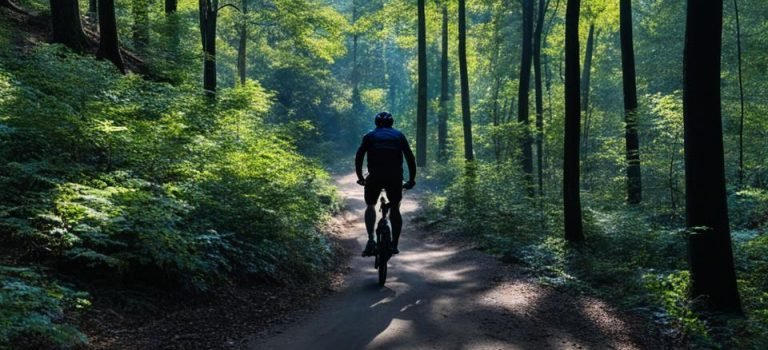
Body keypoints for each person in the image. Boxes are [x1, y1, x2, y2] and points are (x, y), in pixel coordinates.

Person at [355, 111, 416, 256]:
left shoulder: (369, 136)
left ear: (376, 123)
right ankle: (394, 244)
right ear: (392, 123)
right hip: (394, 177)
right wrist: (411, 179)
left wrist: (360, 177)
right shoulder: (399, 136)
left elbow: (359, 157)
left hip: (374, 176)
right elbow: (410, 158)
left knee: (370, 205)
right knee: (395, 207)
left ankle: (370, 239)